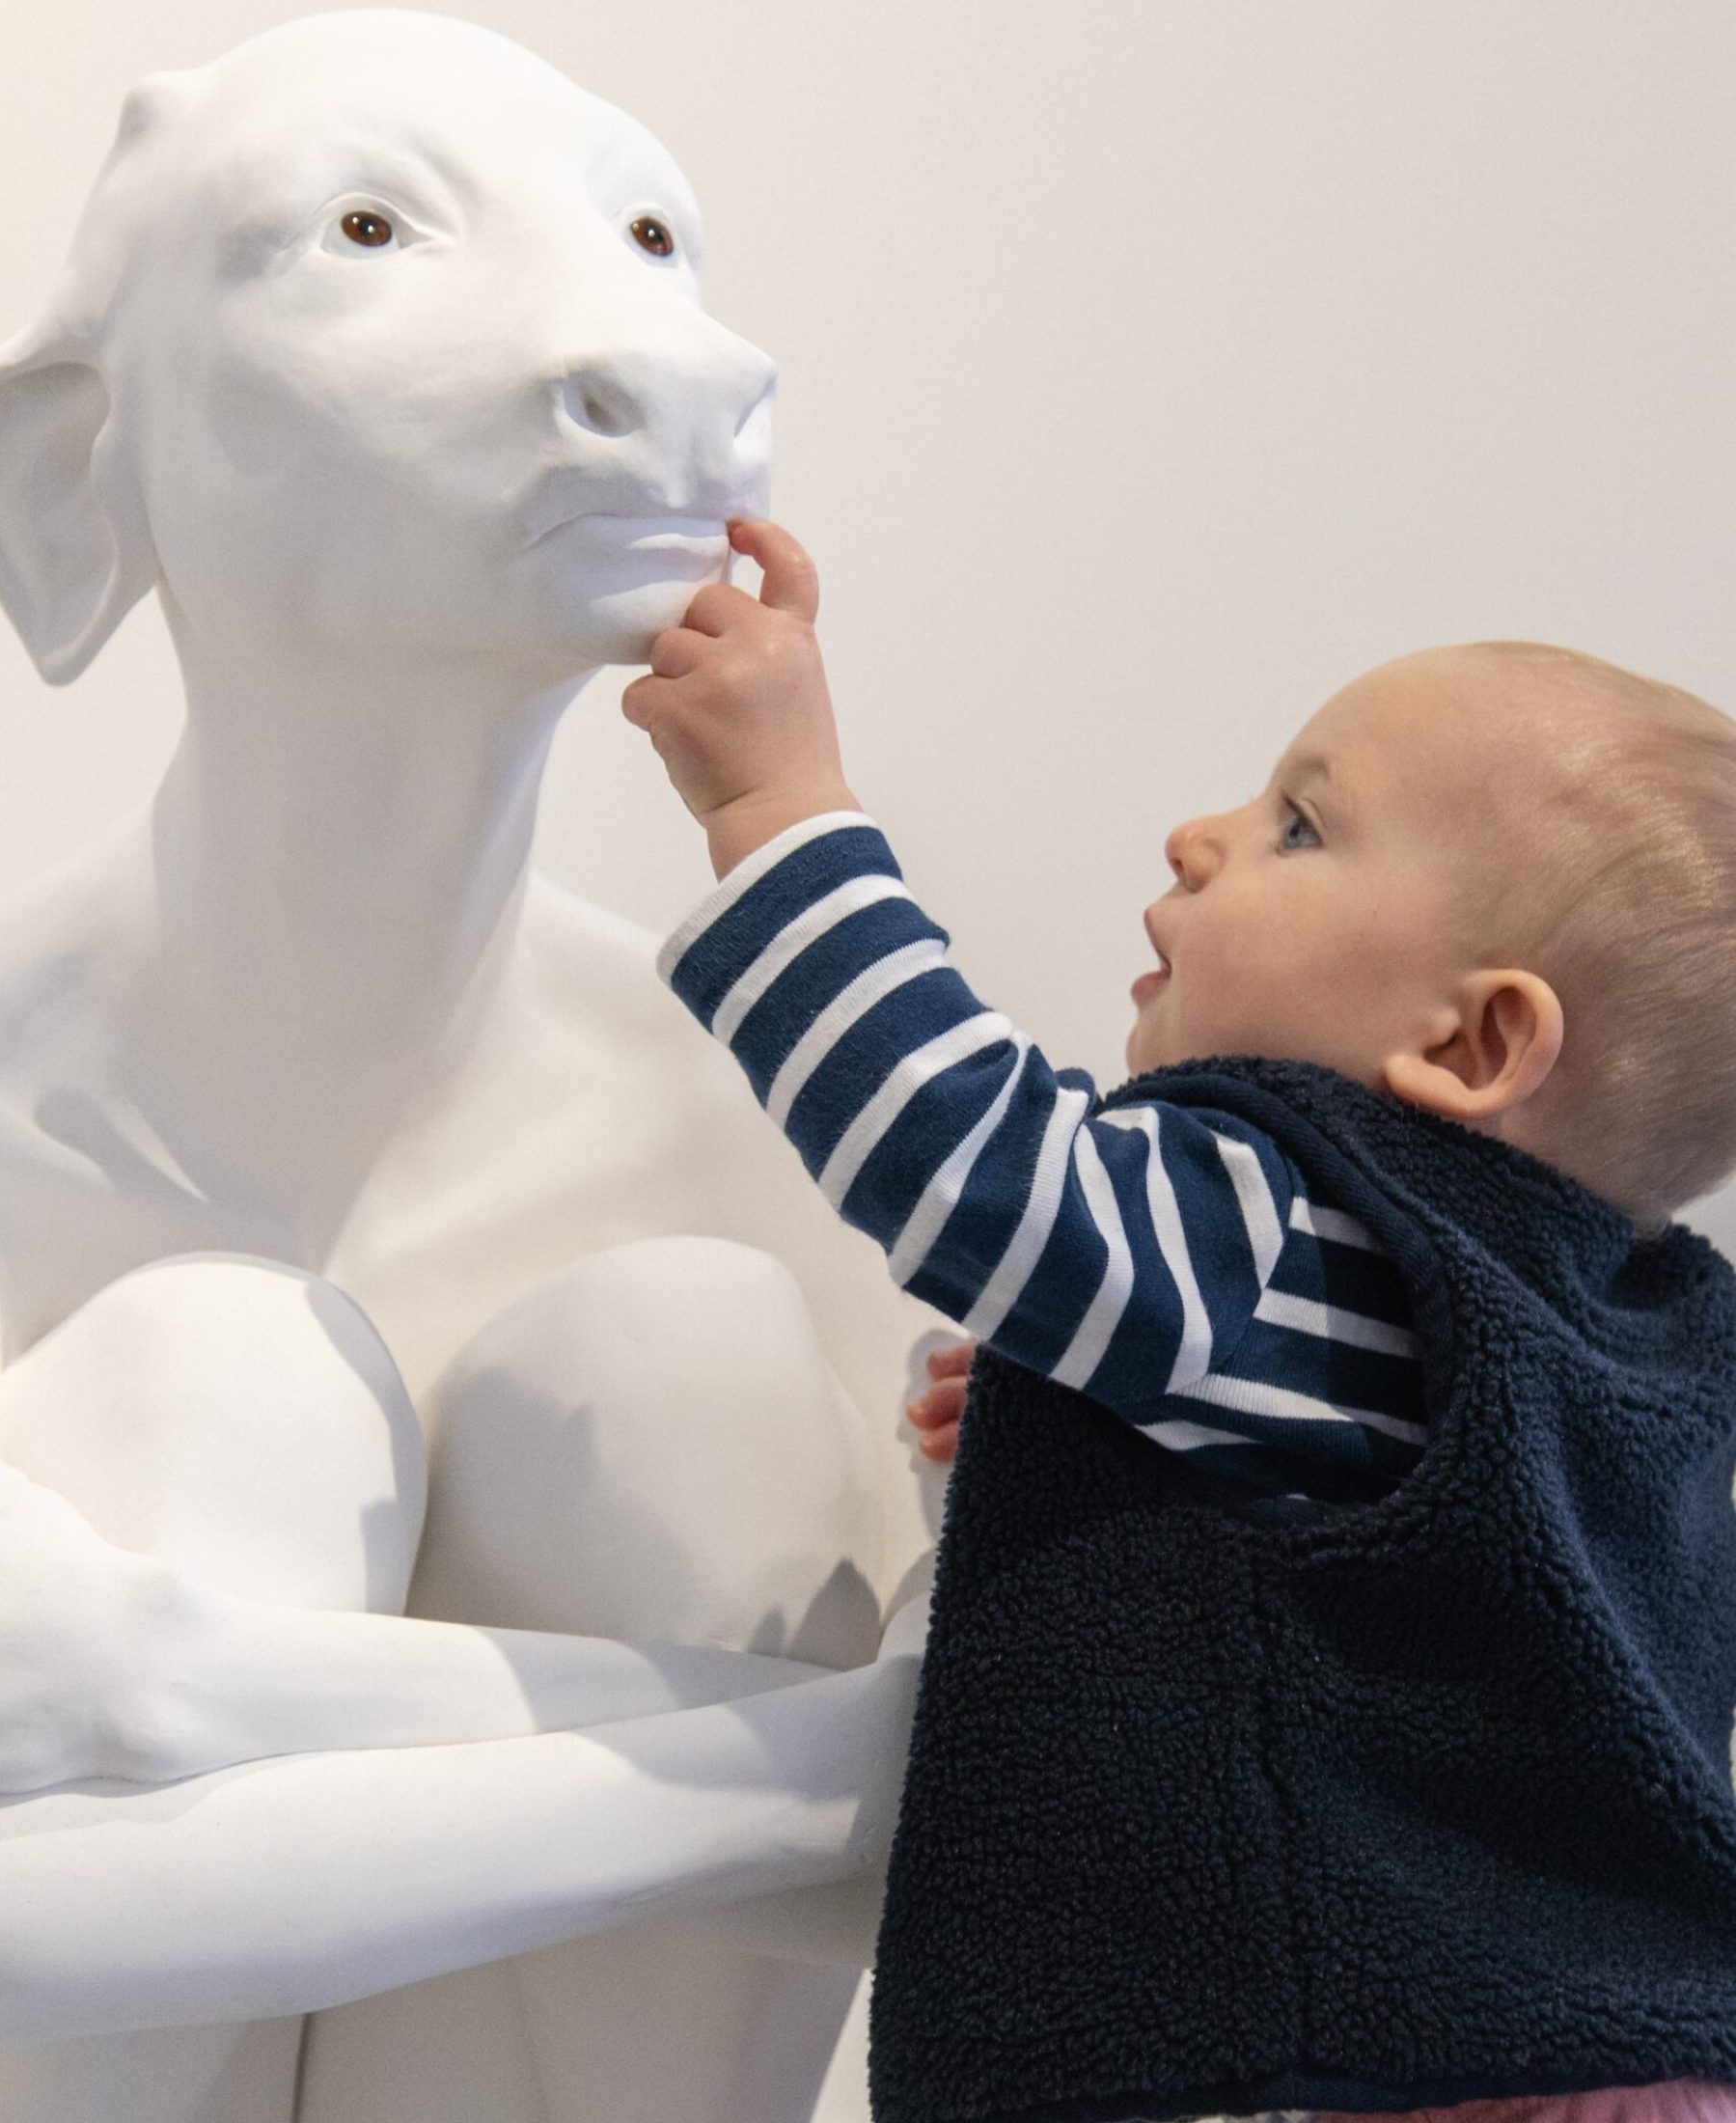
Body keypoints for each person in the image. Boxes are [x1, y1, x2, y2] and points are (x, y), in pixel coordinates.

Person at [621, 516, 1736, 2123]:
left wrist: (777, 807)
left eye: (1298, 826)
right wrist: (1056, 1420)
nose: (1198, 836)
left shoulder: (1309, 1233)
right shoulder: (1615, 1347)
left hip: (1339, 2071)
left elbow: (975, 1159)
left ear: (1476, 1042)